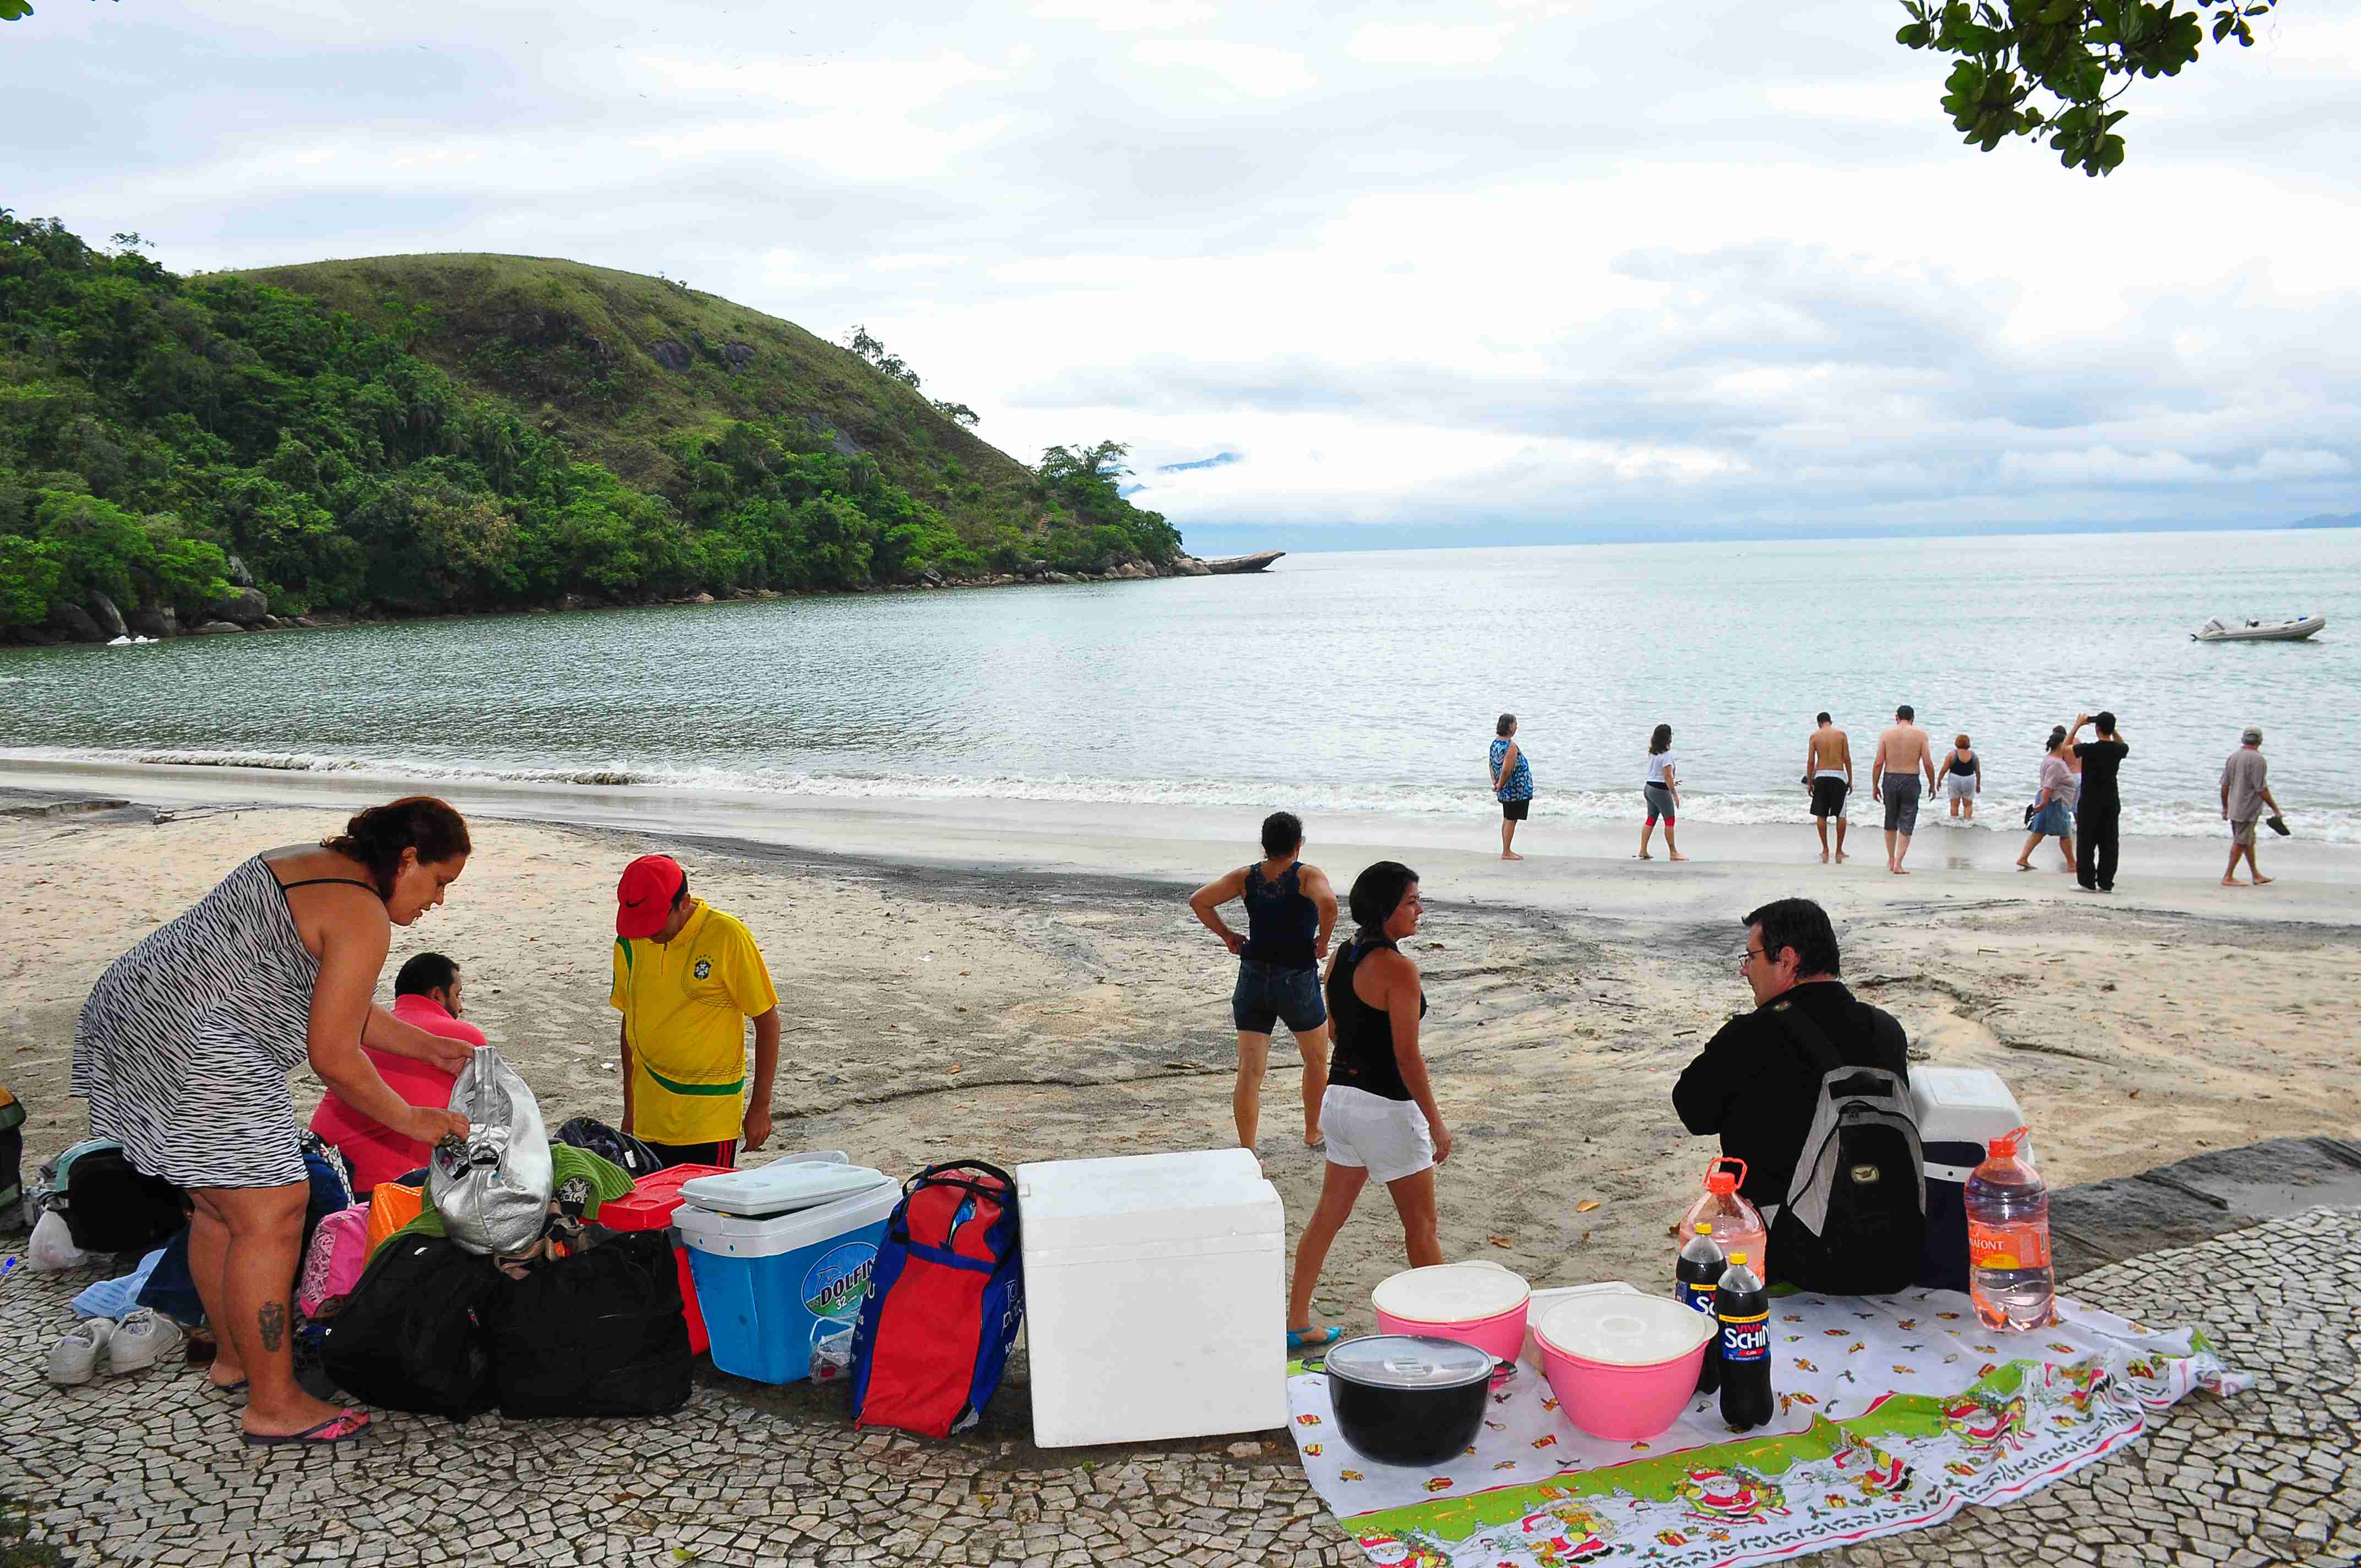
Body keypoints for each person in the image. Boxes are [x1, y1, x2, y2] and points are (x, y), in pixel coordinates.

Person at [72, 797, 476, 1446]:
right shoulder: (363, 912)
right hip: (199, 1044)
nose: (438, 900)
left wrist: (426, 1045)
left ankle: (236, 1359)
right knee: (276, 1209)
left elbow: (335, 998)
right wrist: (413, 1119)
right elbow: (334, 1056)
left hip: (130, 1011)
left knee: (219, 1206)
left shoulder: (305, 863)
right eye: (439, 881)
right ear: (406, 859)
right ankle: (275, 1401)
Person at [1672, 898, 1908, 1239]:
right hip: (1885, 1236)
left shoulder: (1753, 1034)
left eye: (1751, 957)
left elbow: (1693, 1111)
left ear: (1786, 960)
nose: (1744, 970)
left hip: (1786, 1243)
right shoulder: (1887, 1030)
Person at [1284, 862, 1443, 1352]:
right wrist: (1437, 1123)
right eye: (1412, 901)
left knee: (1329, 1214)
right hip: (1387, 1108)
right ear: (1385, 908)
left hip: (1339, 1100)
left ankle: (1296, 1320)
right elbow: (1406, 1055)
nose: (1419, 910)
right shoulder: (1399, 968)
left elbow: (1334, 1030)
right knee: (1421, 1227)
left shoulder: (1342, 957)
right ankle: (1445, 1328)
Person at [611, 854, 781, 1168]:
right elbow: (630, 1021)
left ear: (684, 903)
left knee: (705, 1214)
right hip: (649, 1118)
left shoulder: (728, 937)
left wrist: (760, 1106)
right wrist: (630, 1110)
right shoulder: (631, 941)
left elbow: (767, 1020)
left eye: (654, 922)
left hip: (708, 1122)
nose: (648, 932)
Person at [1188, 812, 1339, 1152]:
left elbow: (1200, 901)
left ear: (1264, 844)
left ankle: (1249, 1148)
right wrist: (1323, 942)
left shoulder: (1247, 877)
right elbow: (1329, 903)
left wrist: (1227, 935)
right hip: (1296, 978)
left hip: (1253, 976)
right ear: (1298, 844)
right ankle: (1312, 1130)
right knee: (1315, 1058)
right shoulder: (1307, 875)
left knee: (1251, 1070)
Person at [307, 951, 486, 1195]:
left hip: (326, 1171)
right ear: (436, 995)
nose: (461, 1007)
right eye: (457, 996)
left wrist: (433, 1048)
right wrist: (411, 1118)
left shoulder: (361, 1030)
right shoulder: (464, 1037)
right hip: (389, 1188)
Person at [1871, 705, 1937, 875]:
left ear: (1896, 717)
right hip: (1910, 779)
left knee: (1890, 819)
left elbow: (1879, 763)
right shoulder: (1921, 735)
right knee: (1907, 820)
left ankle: (1891, 859)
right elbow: (1928, 763)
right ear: (1913, 718)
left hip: (1890, 778)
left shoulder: (1886, 735)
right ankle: (1898, 863)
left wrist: (1875, 785)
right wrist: (1932, 783)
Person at [2068, 711, 2130, 892]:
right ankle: (2106, 882)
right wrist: (2111, 729)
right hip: (2111, 801)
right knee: (2109, 843)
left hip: (2090, 801)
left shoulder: (2089, 749)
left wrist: (2078, 725)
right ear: (2111, 729)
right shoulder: (2119, 750)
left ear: (2097, 729)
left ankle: (2087, 882)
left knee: (2086, 843)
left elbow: (2065, 748)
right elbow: (2123, 744)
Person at [2220, 726, 2281, 888]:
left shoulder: (2233, 757)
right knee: (2241, 841)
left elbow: (2225, 786)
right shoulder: (2258, 760)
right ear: (2260, 741)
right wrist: (2275, 809)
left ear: (2243, 740)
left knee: (2248, 841)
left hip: (2234, 806)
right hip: (2247, 809)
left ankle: (2256, 875)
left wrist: (2225, 807)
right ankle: (2228, 877)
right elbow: (2261, 789)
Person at [2015, 726, 2077, 872]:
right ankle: (2072, 864)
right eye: (2067, 744)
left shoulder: (2050, 759)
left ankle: (2023, 858)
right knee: (2065, 833)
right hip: (2054, 801)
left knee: (2039, 831)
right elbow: (2049, 785)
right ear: (2061, 745)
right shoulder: (2056, 764)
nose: (2069, 747)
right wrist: (2043, 803)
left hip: (2050, 799)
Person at [1802, 712, 1852, 863]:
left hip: (1822, 776)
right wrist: (1850, 779)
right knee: (1841, 815)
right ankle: (1839, 851)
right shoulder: (1841, 735)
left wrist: (1810, 782)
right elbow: (1847, 759)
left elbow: (1811, 761)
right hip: (1838, 776)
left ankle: (1825, 850)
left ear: (1819, 723)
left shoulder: (1815, 736)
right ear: (1831, 722)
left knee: (1821, 815)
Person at [1489, 714, 1533, 861]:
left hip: (1506, 788)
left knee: (1508, 818)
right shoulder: (1510, 746)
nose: (1517, 727)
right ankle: (1507, 851)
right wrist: (1500, 785)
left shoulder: (1495, 743)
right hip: (1514, 790)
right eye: (1515, 724)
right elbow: (1507, 769)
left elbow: (1491, 764)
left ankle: (1506, 849)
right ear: (1509, 727)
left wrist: (1495, 782)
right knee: (1511, 819)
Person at [1640, 723, 1685, 861]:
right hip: (1660, 790)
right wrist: (1675, 795)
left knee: (1651, 818)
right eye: (1671, 734)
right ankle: (1673, 852)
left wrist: (1672, 782)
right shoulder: (1667, 755)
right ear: (1668, 737)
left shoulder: (1654, 752)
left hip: (1649, 788)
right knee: (1670, 819)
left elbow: (1660, 775)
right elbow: (1667, 776)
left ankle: (1643, 850)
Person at [1941, 734, 1981, 821]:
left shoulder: (1952, 755)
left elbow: (1944, 769)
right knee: (1968, 805)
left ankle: (1954, 823)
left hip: (1955, 780)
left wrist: (1939, 781)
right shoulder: (1974, 756)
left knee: (1954, 805)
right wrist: (1978, 785)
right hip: (1969, 780)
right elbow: (1978, 772)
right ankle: (1968, 823)